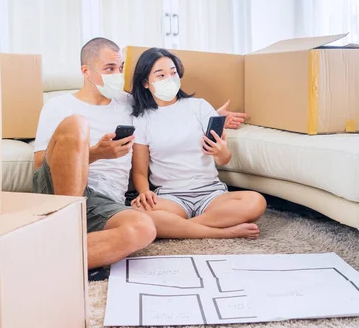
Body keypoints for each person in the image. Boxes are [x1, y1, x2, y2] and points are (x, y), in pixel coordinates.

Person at [32, 38, 250, 276]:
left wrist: (213, 117)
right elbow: (41, 163)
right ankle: (67, 230)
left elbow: (167, 110)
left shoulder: (129, 103)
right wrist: (95, 154)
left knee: (145, 229)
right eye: (109, 69)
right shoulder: (59, 105)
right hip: (62, 192)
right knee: (77, 124)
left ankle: (52, 257)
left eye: (120, 67)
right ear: (86, 71)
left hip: (105, 201)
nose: (117, 75)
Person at [130, 47, 266, 238]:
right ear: (146, 82)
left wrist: (220, 152)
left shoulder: (200, 107)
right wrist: (144, 192)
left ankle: (180, 228)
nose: (169, 79)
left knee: (256, 201)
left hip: (211, 194)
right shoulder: (142, 119)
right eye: (160, 75)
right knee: (137, 212)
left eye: (173, 72)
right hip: (170, 197)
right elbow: (139, 171)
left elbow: (224, 159)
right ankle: (223, 232)